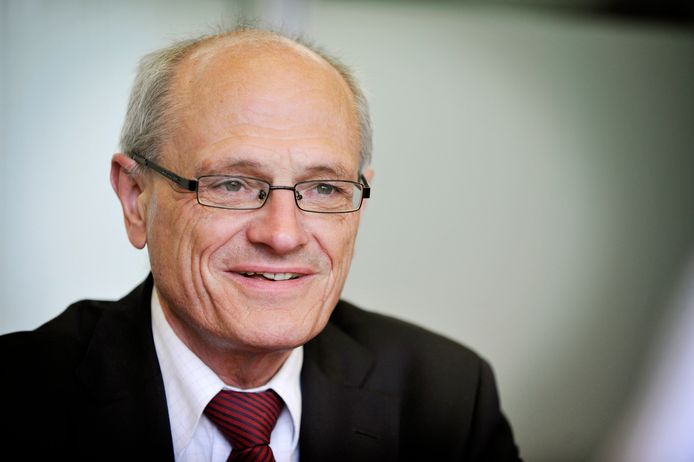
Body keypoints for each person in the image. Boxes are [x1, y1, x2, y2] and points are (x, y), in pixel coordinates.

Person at [0, 26, 521, 461]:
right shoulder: (18, 396)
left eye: (324, 188)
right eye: (232, 184)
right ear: (136, 198)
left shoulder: (448, 397)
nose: (283, 235)